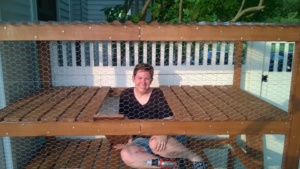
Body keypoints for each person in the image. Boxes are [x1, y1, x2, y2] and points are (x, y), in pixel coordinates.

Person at [114, 63, 207, 169]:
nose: (143, 82)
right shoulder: (126, 95)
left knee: (154, 144)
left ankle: (195, 158)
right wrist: (129, 143)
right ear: (133, 78)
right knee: (126, 154)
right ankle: (168, 165)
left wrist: (163, 133)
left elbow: (170, 119)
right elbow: (127, 122)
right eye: (139, 78)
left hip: (167, 138)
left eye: (147, 79)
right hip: (141, 140)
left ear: (151, 80)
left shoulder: (159, 94)